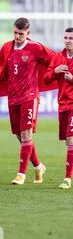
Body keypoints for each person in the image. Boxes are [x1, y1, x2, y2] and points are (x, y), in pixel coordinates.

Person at [0, 18, 55, 185]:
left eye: (21, 34)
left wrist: (60, 70)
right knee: (20, 136)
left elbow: (54, 60)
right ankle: (38, 166)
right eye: (15, 33)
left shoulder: (35, 48)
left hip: (30, 95)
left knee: (27, 134)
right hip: (13, 97)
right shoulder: (7, 46)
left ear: (28, 33)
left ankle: (21, 174)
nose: (17, 36)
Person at [44, 27, 73, 189]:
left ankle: (67, 179)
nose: (68, 40)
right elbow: (46, 79)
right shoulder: (58, 57)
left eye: (71, 38)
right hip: (62, 105)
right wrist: (55, 71)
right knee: (67, 141)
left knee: (71, 140)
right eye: (66, 37)